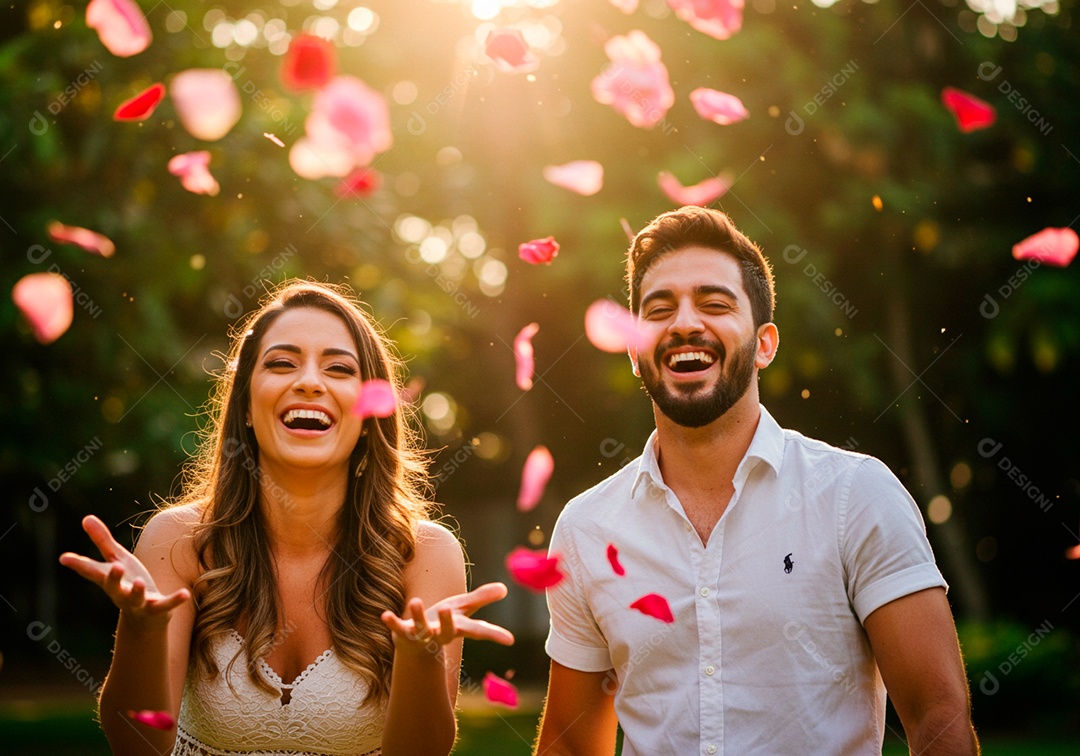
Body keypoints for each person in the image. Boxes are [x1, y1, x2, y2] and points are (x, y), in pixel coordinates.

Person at [534, 207, 979, 755]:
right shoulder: (586, 528)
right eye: (660, 310)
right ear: (633, 350)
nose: (684, 324)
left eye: (714, 304)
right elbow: (570, 744)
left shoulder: (856, 496)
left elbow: (938, 716)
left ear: (765, 344)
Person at [60, 280, 513, 756]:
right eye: (281, 363)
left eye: (339, 368)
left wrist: (420, 657)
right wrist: (141, 631)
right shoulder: (178, 539)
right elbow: (137, 745)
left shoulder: (424, 554)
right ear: (246, 405)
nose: (310, 382)